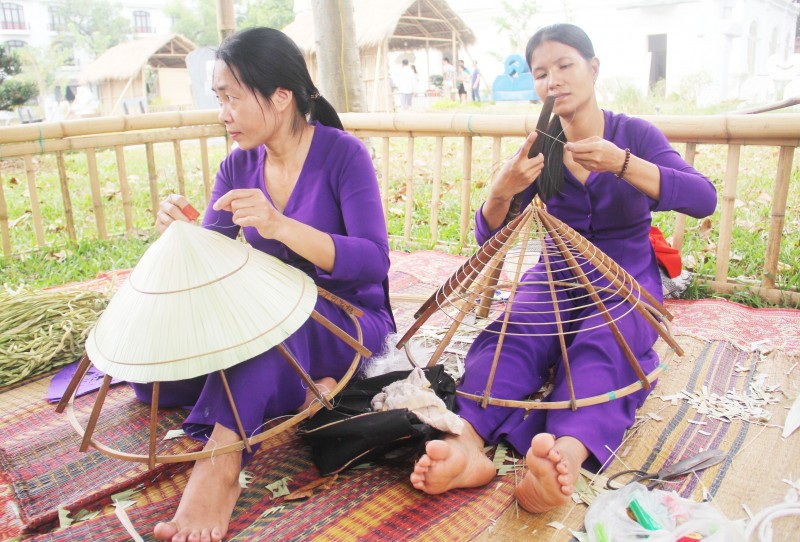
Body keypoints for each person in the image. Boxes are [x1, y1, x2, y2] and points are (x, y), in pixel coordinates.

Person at [409, 23, 716, 514]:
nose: (554, 80)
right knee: (513, 331)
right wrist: (500, 191)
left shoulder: (631, 135)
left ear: (594, 69)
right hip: (556, 275)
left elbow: (704, 198)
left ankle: (562, 456)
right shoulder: (541, 146)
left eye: (565, 65)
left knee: (605, 341)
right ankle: (468, 444)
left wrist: (622, 163)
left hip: (626, 278)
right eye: (541, 73)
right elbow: (490, 239)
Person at [136, 27, 396, 542]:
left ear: (281, 97)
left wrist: (281, 226)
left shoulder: (344, 155)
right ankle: (303, 387)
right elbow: (211, 257)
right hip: (266, 310)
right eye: (219, 98)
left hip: (344, 315)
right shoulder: (237, 164)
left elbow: (373, 262)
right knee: (155, 381)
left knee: (269, 337)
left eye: (233, 97)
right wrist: (181, 232)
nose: (223, 113)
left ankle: (220, 466)